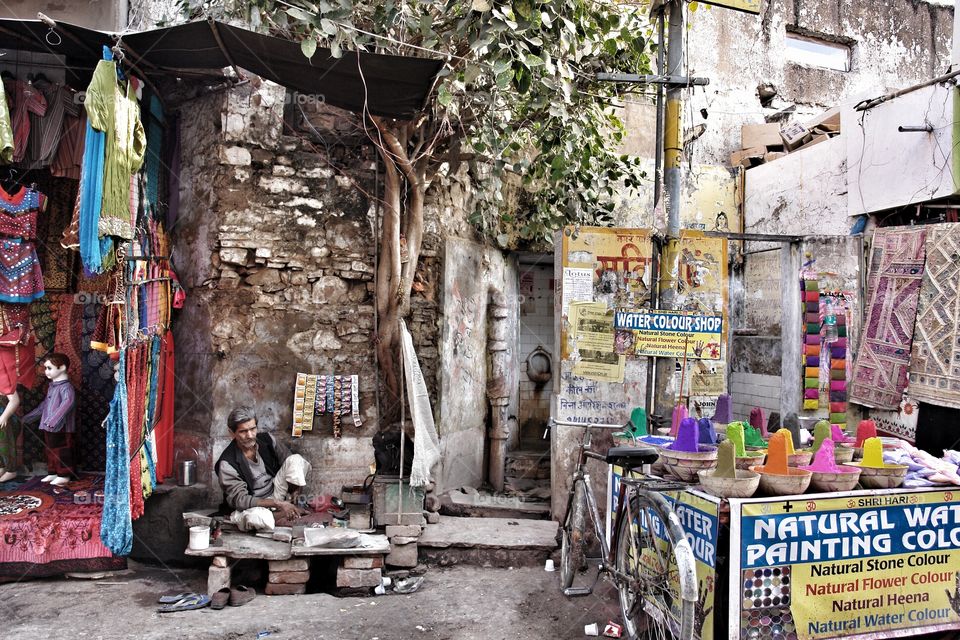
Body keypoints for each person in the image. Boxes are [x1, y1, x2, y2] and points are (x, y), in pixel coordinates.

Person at [215, 406, 310, 532]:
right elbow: (241, 501)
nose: (249, 435)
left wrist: (294, 493)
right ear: (232, 433)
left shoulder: (267, 440)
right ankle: (282, 514)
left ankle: (292, 507)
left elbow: (289, 461)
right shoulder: (227, 463)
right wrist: (278, 504)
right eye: (243, 431)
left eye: (253, 429)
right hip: (254, 505)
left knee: (296, 460)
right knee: (256, 518)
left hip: (277, 492)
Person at [22, 353, 76, 485]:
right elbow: (44, 406)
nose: (46, 371)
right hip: (47, 426)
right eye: (45, 368)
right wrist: (28, 418)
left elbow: (67, 403)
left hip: (62, 427)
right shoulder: (52, 387)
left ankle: (64, 474)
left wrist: (53, 420)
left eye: (49, 368)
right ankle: (53, 472)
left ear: (62, 367)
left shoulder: (66, 387)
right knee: (50, 450)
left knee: (62, 450)